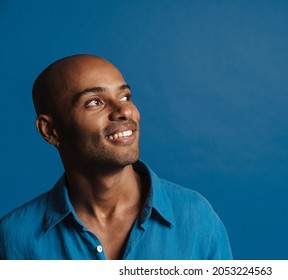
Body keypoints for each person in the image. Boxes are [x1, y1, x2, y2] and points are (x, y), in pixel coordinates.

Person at [0, 54, 232, 260]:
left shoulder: (196, 217)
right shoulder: (15, 236)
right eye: (94, 102)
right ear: (50, 130)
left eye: (125, 96)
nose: (123, 111)